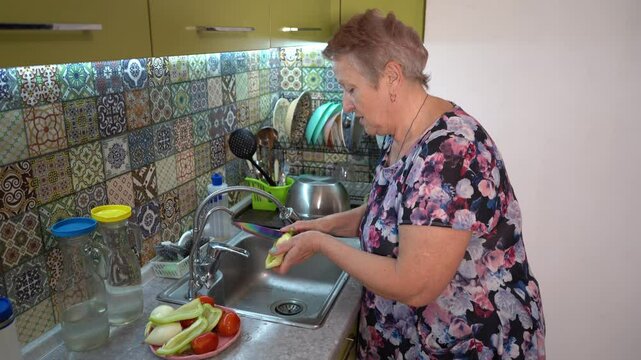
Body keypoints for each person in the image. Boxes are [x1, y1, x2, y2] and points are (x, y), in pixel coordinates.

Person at [271, 9, 545, 359]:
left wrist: (323, 244)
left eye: (351, 88)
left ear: (391, 77)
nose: (347, 105)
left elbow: (414, 284)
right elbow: (387, 213)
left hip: (466, 345)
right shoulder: (397, 135)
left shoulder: (450, 154)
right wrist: (321, 225)